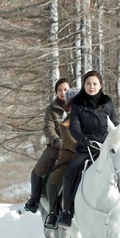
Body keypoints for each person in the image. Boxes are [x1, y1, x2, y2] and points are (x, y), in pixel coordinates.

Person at [56, 70, 120, 227]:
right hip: (86, 147)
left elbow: (114, 120)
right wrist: (82, 138)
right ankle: (67, 212)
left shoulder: (107, 101)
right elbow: (73, 126)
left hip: (107, 147)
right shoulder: (78, 103)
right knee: (69, 173)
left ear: (100, 85)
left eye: (94, 84)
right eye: (88, 84)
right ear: (84, 86)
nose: (91, 86)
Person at [24, 78, 72, 213]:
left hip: (75, 145)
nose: (63, 93)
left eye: (66, 90)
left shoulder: (78, 106)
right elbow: (48, 129)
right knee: (38, 169)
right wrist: (57, 141)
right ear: (56, 92)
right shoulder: (51, 110)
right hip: (56, 146)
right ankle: (34, 199)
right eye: (60, 90)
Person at [43, 87, 78, 229]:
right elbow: (69, 142)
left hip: (91, 156)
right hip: (69, 159)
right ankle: (53, 212)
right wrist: (86, 146)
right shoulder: (66, 124)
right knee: (53, 179)